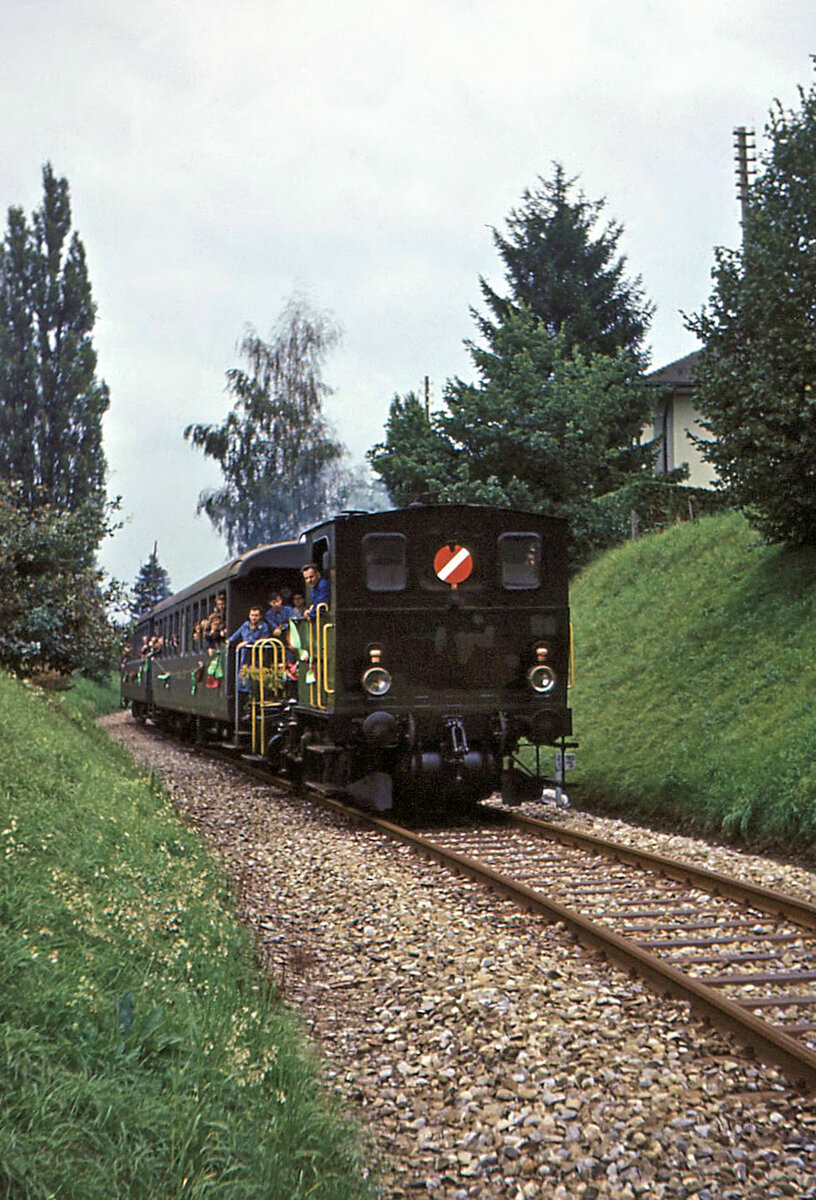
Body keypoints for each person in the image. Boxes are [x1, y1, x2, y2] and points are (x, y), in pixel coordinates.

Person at [227, 605, 270, 691]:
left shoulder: (264, 626)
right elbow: (236, 634)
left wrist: (249, 642)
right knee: (243, 675)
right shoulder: (245, 625)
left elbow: (264, 639)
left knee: (256, 677)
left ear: (260, 616)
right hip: (245, 656)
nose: (254, 618)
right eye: (252, 615)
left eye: (256, 615)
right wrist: (229, 641)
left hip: (257, 656)